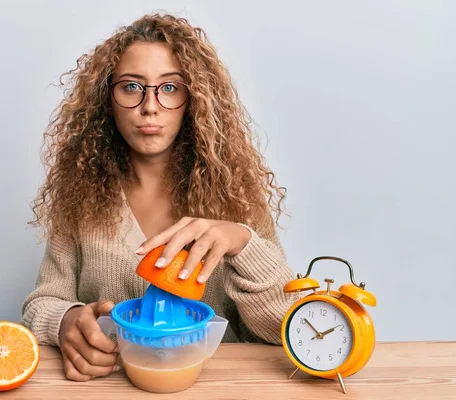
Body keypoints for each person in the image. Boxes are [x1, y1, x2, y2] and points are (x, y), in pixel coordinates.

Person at [22, 12, 300, 382]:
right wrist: (65, 321)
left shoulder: (237, 197)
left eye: (169, 87)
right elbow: (42, 302)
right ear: (107, 100)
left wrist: (242, 242)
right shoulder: (80, 199)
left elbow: (286, 324)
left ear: (194, 99)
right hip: (108, 388)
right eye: (131, 87)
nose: (149, 106)